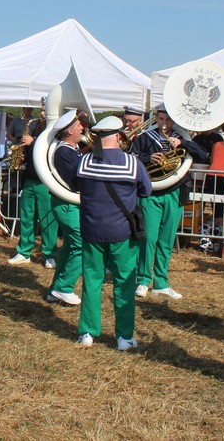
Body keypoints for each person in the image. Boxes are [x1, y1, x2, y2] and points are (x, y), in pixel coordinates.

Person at [65, 115, 152, 348]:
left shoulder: (84, 161)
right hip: (122, 232)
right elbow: (146, 190)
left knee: (92, 280)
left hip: (91, 230)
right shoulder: (132, 163)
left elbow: (73, 185)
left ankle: (87, 333)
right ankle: (124, 337)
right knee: (124, 282)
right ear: (117, 136)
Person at [129, 104, 208, 299]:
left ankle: (161, 282)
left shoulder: (182, 138)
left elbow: (204, 155)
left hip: (175, 192)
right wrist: (149, 158)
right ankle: (143, 280)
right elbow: (131, 157)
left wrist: (183, 143)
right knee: (148, 238)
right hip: (152, 193)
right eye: (161, 119)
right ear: (156, 119)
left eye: (168, 120)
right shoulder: (145, 137)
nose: (164, 124)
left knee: (167, 239)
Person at [45, 111, 86, 305]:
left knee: (70, 247)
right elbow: (77, 180)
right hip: (66, 205)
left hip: (71, 204)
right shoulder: (64, 152)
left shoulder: (74, 149)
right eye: (78, 125)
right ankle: (64, 287)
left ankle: (55, 290)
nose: (82, 128)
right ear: (70, 131)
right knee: (82, 244)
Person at [8, 106, 57, 267]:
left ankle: (49, 254)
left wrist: (33, 142)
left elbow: (53, 150)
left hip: (46, 180)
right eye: (42, 110)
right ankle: (24, 251)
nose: (42, 113)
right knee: (26, 216)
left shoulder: (56, 130)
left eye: (45, 110)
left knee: (47, 219)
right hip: (30, 177)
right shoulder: (35, 126)